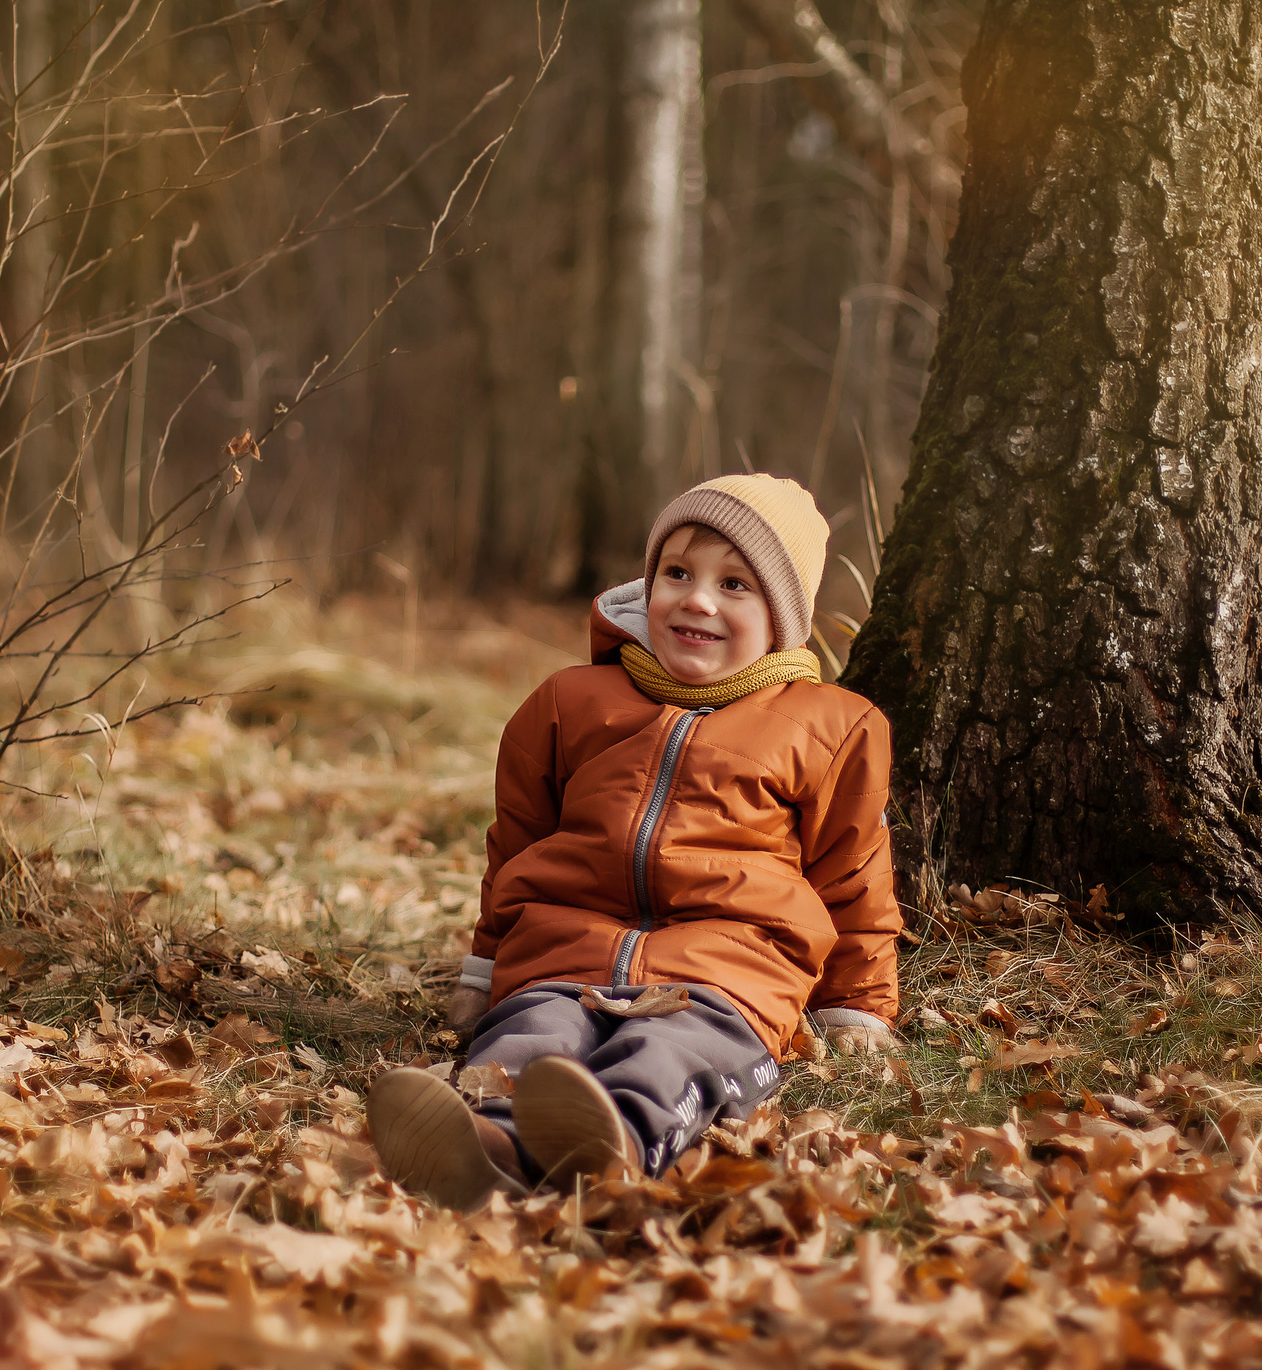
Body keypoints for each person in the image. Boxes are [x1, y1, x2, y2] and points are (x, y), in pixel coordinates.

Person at [366, 473, 903, 1210]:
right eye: (677, 572)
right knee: (533, 1036)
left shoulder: (830, 725)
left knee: (668, 1051)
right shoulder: (570, 701)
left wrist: (859, 1006)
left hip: (725, 980)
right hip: (563, 956)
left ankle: (614, 1141)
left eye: (736, 584)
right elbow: (516, 844)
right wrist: (485, 968)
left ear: (781, 618)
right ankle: (486, 1145)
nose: (698, 599)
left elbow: (854, 876)